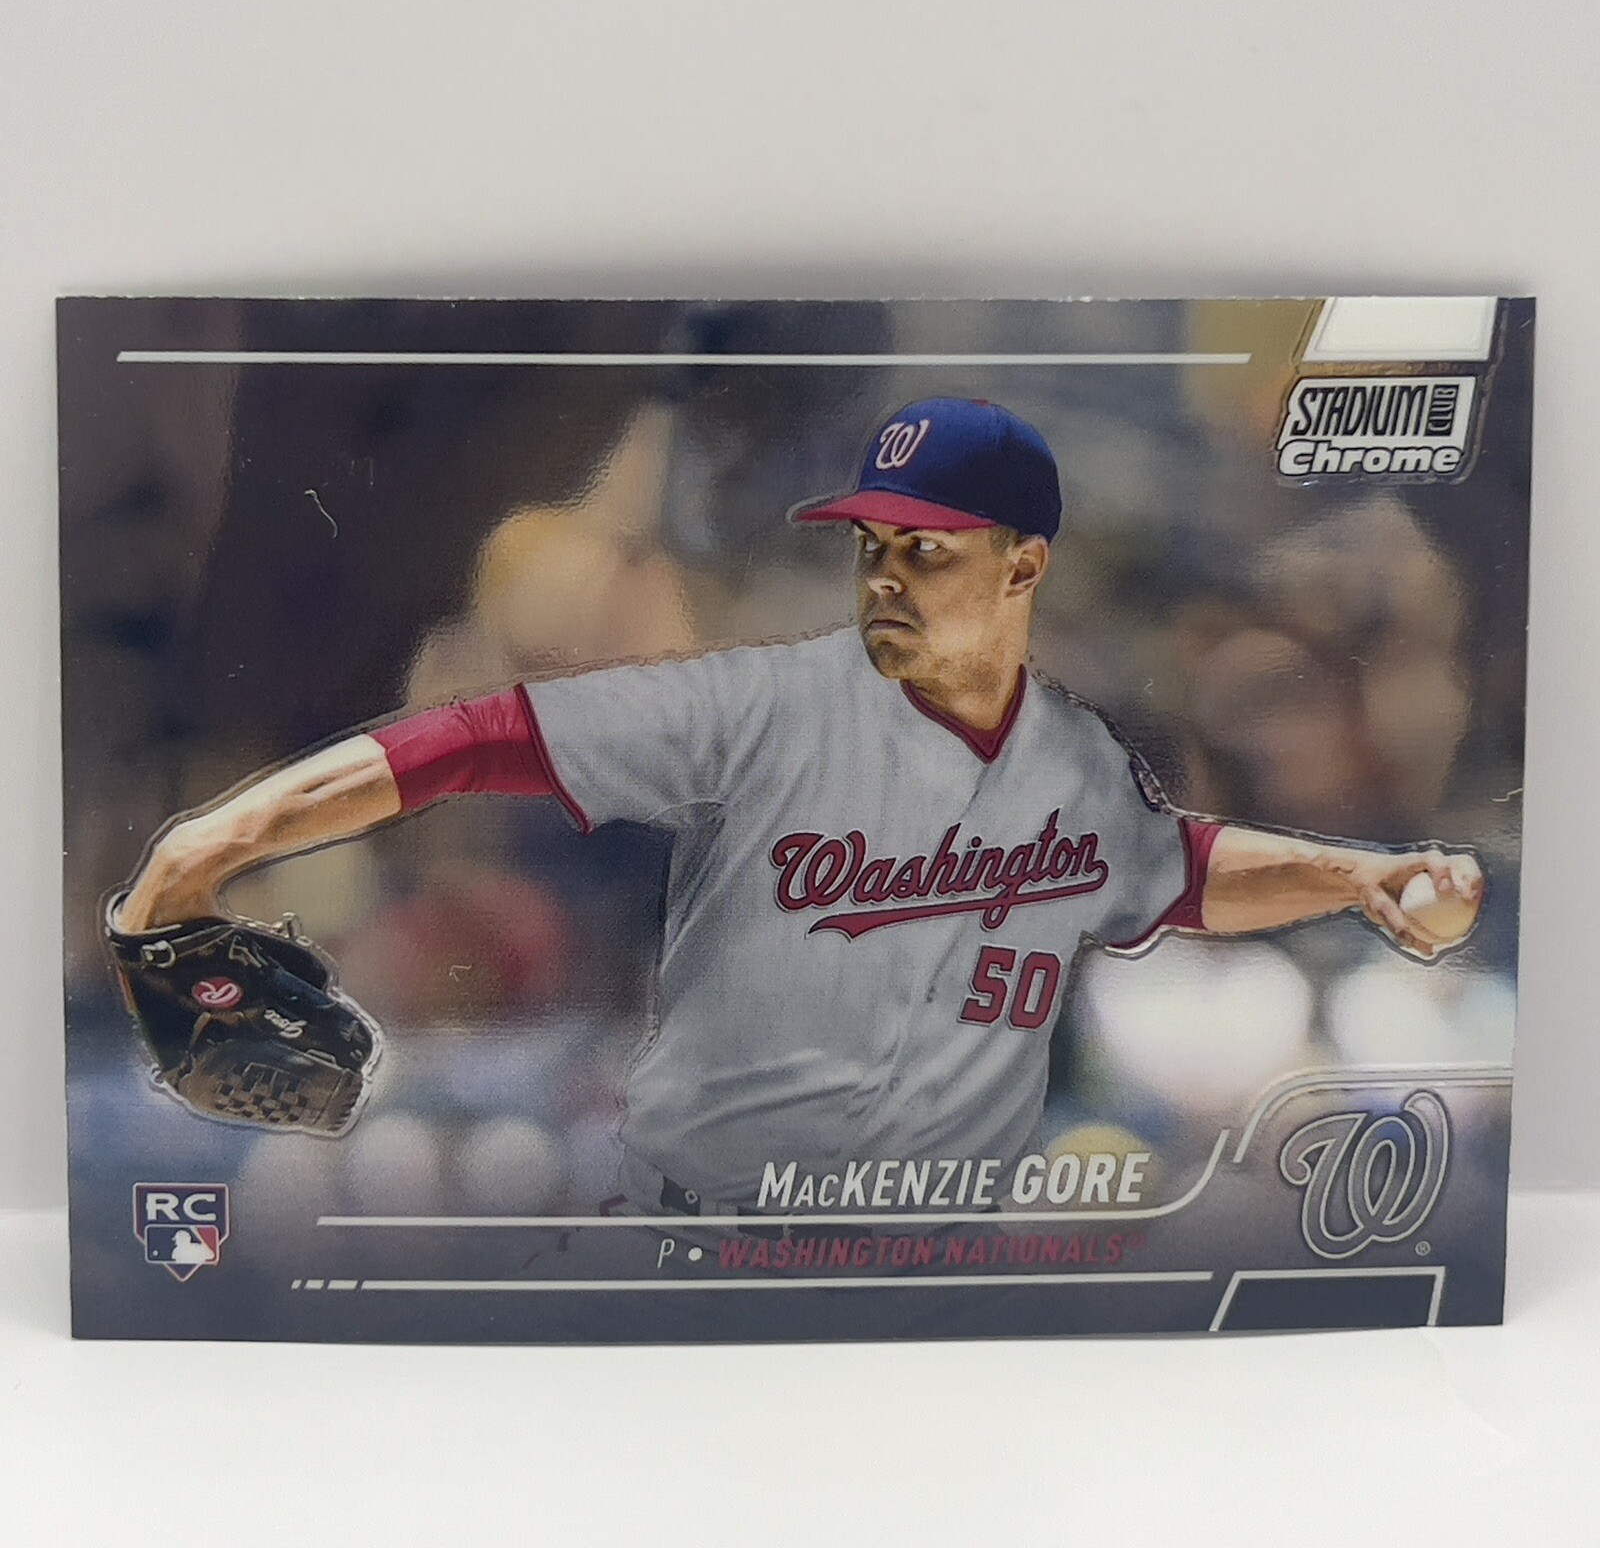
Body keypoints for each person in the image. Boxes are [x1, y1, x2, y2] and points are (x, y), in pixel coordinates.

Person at [114, 398, 1483, 1217]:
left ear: (1021, 569)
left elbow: (1182, 870)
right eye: (875, 546)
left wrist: (1359, 879)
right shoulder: (760, 708)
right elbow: (468, 744)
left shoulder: (1073, 757)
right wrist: (218, 837)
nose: (886, 577)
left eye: (925, 550)